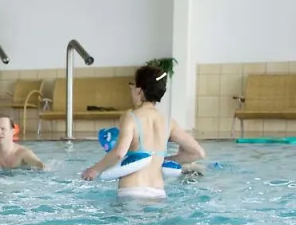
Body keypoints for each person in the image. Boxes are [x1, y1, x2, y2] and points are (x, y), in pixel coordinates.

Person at [80, 65, 206, 200]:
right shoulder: (169, 122)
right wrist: (162, 161)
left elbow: (119, 153)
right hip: (158, 193)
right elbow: (197, 153)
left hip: (132, 190)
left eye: (132, 85)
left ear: (139, 90)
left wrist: (94, 170)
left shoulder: (130, 117)